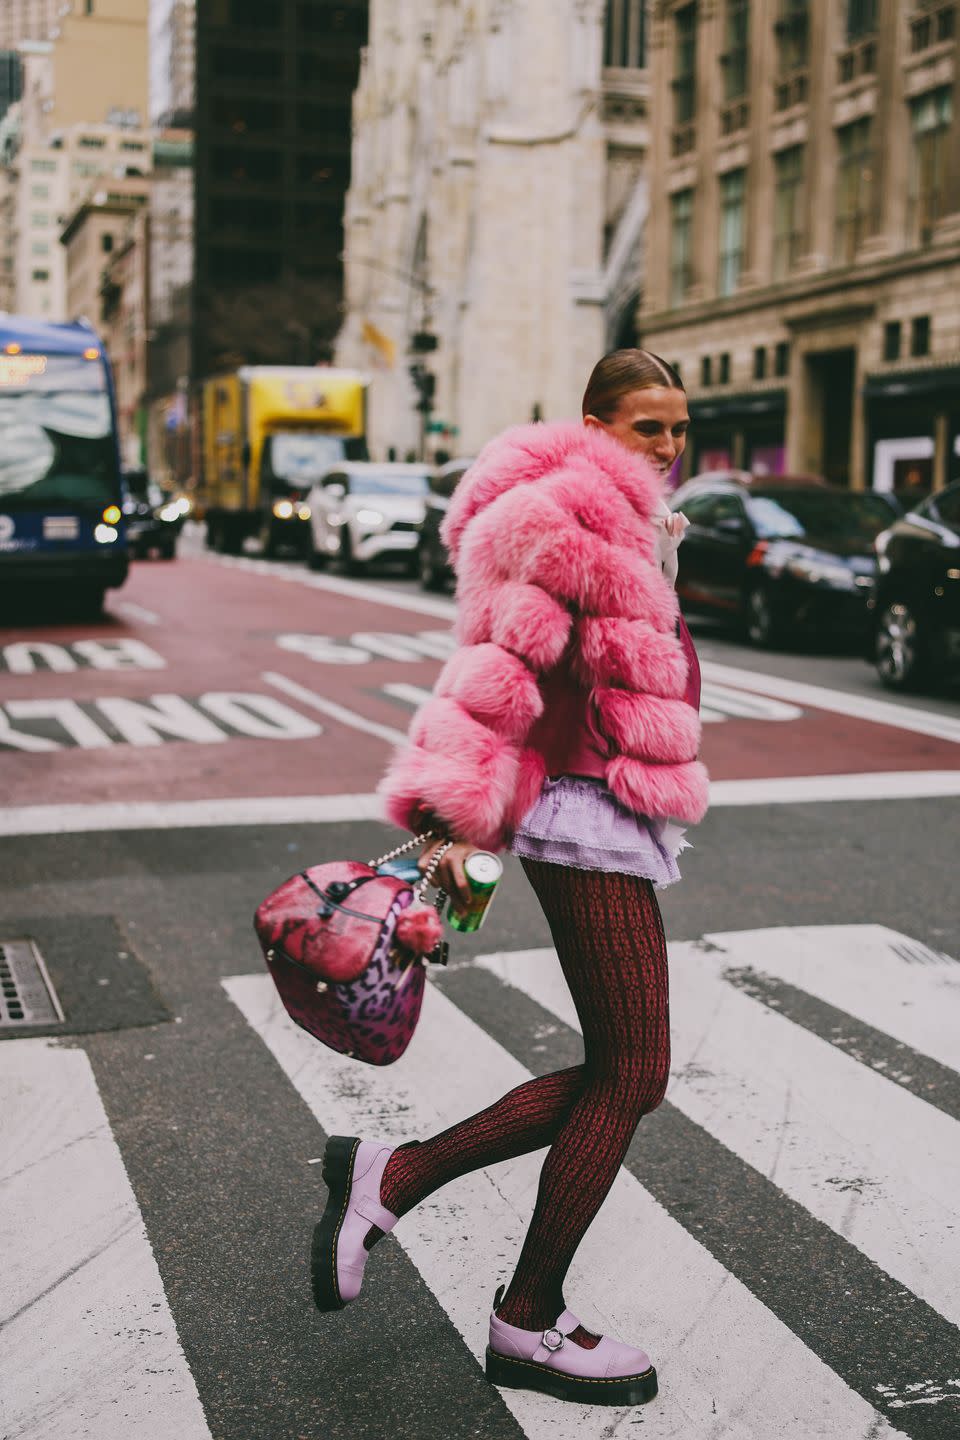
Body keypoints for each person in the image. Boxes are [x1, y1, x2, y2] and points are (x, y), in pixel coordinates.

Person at [312, 349, 708, 1408]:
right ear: (592, 422)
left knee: (630, 1071)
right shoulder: (578, 518)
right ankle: (525, 1318)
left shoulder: (633, 522)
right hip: (583, 812)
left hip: (607, 805)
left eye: (678, 428)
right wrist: (448, 820)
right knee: (632, 1073)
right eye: (645, 427)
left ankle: (394, 1179)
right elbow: (500, 670)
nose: (667, 447)